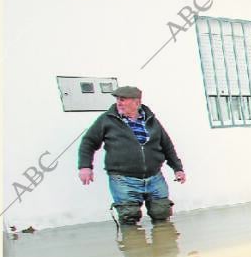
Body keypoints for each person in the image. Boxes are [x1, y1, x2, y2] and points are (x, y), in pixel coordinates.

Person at [78, 86, 186, 225]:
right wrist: (85, 167)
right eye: (117, 99)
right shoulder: (107, 120)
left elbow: (167, 145)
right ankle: (132, 245)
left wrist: (178, 168)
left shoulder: (151, 120)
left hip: (154, 177)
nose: (119, 103)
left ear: (136, 102)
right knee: (129, 217)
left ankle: (163, 245)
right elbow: (88, 142)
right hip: (123, 179)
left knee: (162, 213)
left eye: (123, 100)